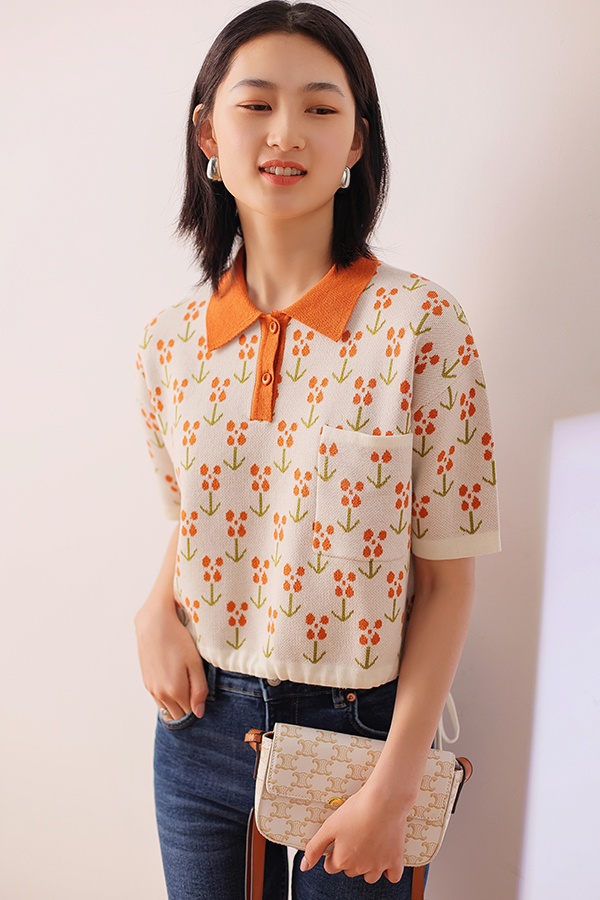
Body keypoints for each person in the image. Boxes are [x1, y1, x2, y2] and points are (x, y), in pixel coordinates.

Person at [134, 3, 501, 899]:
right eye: (256, 104)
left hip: (363, 737)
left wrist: (395, 785)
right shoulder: (168, 343)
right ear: (208, 134)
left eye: (321, 107)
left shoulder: (424, 328)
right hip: (197, 733)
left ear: (357, 142)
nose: (286, 133)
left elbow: (446, 582)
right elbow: (202, 517)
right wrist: (155, 609)